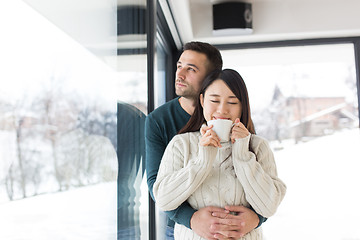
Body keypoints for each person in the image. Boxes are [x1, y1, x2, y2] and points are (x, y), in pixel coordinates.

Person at [145, 42, 267, 240]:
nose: (180, 74)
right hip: (183, 228)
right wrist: (191, 219)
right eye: (179, 66)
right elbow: (155, 184)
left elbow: (257, 183)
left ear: (211, 77)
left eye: (191, 69)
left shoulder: (234, 119)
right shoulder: (159, 121)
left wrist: (257, 218)